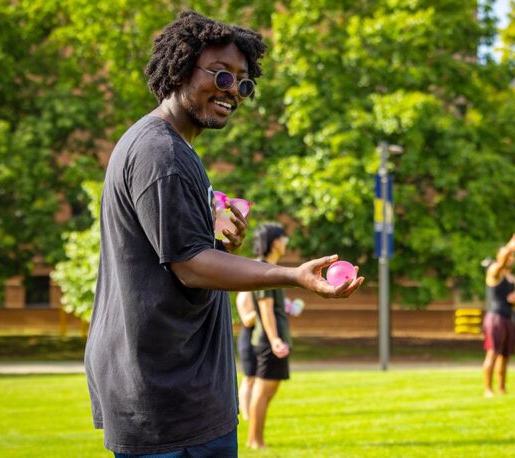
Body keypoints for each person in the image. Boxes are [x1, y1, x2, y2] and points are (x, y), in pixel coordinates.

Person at [84, 12, 364, 457]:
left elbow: (181, 254)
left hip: (180, 389)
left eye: (242, 81)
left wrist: (213, 239)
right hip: (166, 394)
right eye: (220, 74)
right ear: (179, 67)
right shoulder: (162, 154)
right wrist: (292, 276)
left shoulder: (170, 148)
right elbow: (191, 267)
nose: (233, 89)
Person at [245, 223, 290, 449]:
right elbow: (265, 307)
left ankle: (256, 439)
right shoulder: (264, 270)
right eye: (284, 239)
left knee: (268, 390)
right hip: (268, 341)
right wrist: (274, 340)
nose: (286, 244)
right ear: (275, 242)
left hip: (271, 340)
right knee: (263, 391)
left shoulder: (269, 268)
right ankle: (255, 441)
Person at [482, 233, 515, 398]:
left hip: (508, 318)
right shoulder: (494, 272)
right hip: (495, 318)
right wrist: (510, 247)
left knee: (505, 356)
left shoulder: (514, 279)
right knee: (492, 353)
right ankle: (488, 389)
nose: (511, 257)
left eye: (513, 255)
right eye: (509, 255)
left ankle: (502, 388)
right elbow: (501, 261)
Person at [235, 290, 257, 421]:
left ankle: (252, 412)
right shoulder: (244, 295)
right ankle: (246, 414)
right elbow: (247, 320)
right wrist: (263, 307)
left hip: (255, 339)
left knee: (255, 379)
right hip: (247, 341)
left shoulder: (254, 293)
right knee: (249, 379)